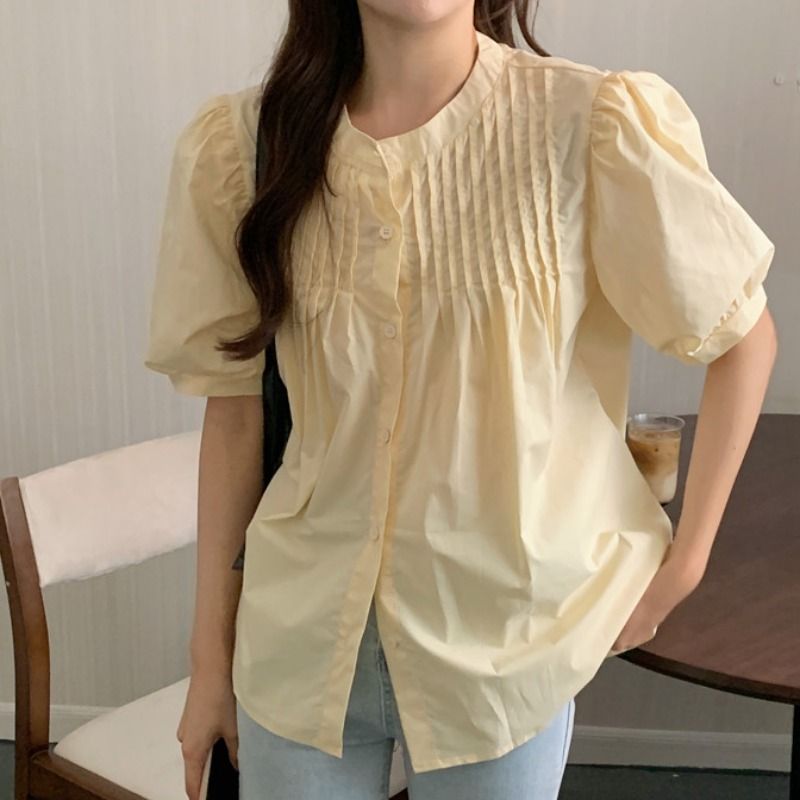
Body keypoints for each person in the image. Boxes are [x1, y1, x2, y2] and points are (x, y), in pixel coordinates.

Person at [144, 1, 778, 798]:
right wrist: (209, 660)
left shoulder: (587, 126)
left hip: (504, 651)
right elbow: (236, 413)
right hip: (299, 641)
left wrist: (684, 567)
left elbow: (742, 336)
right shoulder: (246, 148)